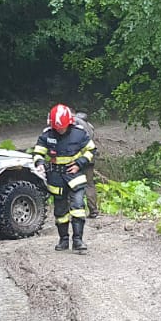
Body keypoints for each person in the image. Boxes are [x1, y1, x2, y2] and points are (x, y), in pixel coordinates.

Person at [32, 104, 95, 252]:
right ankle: (63, 240)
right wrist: (40, 163)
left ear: (69, 123)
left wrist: (80, 163)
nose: (60, 130)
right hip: (56, 178)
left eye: (63, 127)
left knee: (78, 207)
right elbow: (38, 153)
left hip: (75, 176)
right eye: (57, 128)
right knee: (60, 212)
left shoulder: (79, 133)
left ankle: (78, 241)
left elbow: (91, 150)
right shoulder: (47, 135)